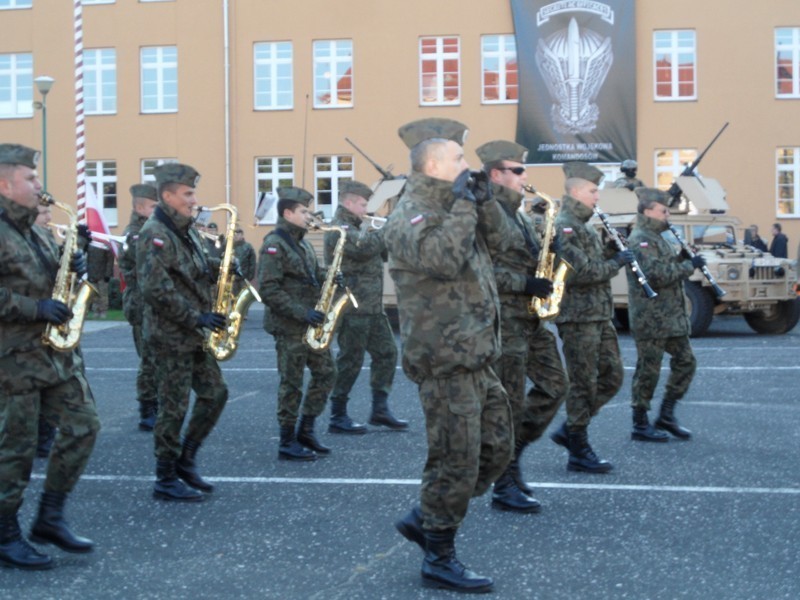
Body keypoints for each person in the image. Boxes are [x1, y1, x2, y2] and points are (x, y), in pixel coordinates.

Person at [386, 118, 512, 593]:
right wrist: (463, 203)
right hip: (443, 359)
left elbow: (507, 244)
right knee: (455, 460)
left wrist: (483, 201)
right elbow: (442, 260)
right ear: (436, 165)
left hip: (477, 353)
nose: (468, 165)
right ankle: (439, 555)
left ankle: (428, 514)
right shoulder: (411, 213)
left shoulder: (458, 204)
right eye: (460, 159)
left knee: (497, 449)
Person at [0, 143, 101, 569]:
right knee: (16, 450)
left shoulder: (38, 228)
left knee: (85, 425)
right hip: (14, 360)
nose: (39, 185)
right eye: (30, 178)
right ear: (4, 184)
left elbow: (51, 277)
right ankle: (5, 534)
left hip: (55, 355)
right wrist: (33, 309)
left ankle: (50, 517)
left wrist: (73, 260)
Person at [476, 140, 568, 513]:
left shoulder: (517, 213)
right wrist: (522, 283)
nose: (524, 176)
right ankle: (504, 481)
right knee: (508, 405)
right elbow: (476, 270)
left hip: (531, 317)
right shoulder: (486, 211)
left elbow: (530, 258)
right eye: (518, 170)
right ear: (496, 174)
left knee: (555, 386)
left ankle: (510, 458)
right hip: (504, 321)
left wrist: (551, 249)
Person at [137, 163, 229, 502]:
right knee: (173, 408)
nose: (194, 200)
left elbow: (191, 272)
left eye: (193, 193)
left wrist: (221, 268)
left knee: (215, 393)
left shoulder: (185, 230)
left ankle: (186, 459)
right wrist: (197, 317)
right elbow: (155, 289)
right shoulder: (154, 234)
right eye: (187, 194)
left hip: (193, 333)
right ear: (167, 195)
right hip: (170, 336)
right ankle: (165, 477)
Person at [550, 161, 633, 473]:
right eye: (592, 190)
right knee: (583, 383)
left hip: (598, 314)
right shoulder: (565, 225)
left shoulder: (585, 225)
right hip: (578, 317)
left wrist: (612, 252)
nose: (598, 196)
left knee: (612, 377)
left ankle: (571, 427)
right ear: (575, 191)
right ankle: (578, 446)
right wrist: (617, 263)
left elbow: (595, 265)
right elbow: (580, 272)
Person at [257, 186, 336, 462]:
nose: (308, 215)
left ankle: (306, 429)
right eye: (304, 211)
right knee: (291, 383)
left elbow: (312, 275)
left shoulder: (302, 243)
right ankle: (287, 440)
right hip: (290, 325)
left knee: (326, 372)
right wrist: (302, 313)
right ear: (288, 213)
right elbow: (269, 289)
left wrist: (332, 276)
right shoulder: (274, 244)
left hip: (309, 324)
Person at [324, 180, 408, 434]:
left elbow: (380, 252)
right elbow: (364, 248)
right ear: (349, 202)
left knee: (388, 354)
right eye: (362, 204)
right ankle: (338, 415)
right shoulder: (339, 228)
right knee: (350, 361)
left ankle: (379, 409)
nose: (365, 209)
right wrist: (389, 224)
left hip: (372, 307)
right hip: (352, 308)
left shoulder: (360, 226)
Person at [627, 187, 700, 442]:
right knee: (648, 371)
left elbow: (666, 266)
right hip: (651, 319)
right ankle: (640, 422)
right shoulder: (640, 239)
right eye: (663, 210)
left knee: (686, 362)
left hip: (669, 318)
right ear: (648, 211)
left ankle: (666, 414)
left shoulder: (658, 238)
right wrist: (688, 266)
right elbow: (656, 276)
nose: (667, 214)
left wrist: (682, 256)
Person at [118, 183, 159, 431]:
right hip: (141, 304)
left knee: (158, 357)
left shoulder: (152, 229)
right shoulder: (134, 233)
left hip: (155, 304)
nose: (158, 210)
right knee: (148, 360)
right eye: (154, 206)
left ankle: (160, 405)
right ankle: (147, 409)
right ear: (139, 207)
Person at [86, 241, 115, 319]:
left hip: (103, 275)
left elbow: (110, 261)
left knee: (103, 295)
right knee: (94, 295)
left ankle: (103, 312)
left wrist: (108, 274)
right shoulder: (90, 246)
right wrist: (88, 272)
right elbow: (88, 260)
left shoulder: (106, 246)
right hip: (92, 274)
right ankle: (96, 311)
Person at [232, 225, 257, 299]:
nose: (236, 236)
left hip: (243, 279)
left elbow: (252, 263)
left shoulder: (248, 247)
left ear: (242, 235)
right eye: (234, 234)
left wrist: (249, 277)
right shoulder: (229, 246)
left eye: (238, 234)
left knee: (243, 299)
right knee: (233, 299)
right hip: (232, 279)